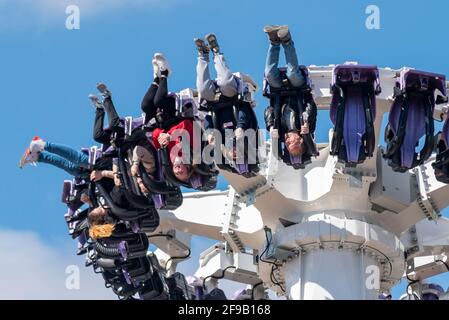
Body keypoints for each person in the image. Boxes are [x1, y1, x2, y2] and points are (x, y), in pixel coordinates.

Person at [195, 33, 258, 167]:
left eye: (234, 157)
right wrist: (240, 127)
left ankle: (203, 55)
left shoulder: (221, 140)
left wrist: (209, 133)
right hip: (233, 98)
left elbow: (207, 118)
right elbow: (245, 110)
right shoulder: (248, 134)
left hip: (215, 104)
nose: (235, 153)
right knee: (224, 81)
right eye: (240, 154)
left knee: (202, 88)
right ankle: (216, 52)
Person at [263, 25, 316, 160]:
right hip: (299, 90)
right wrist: (307, 122)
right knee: (292, 73)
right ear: (300, 139)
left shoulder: (279, 131)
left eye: (286, 145)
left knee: (269, 75)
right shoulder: (307, 128)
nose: (286, 141)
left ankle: (274, 42)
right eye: (291, 142)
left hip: (280, 92)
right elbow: (311, 105)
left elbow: (268, 110)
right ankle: (286, 41)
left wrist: (270, 126)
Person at [19, 137, 91, 178]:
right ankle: (41, 145)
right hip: (96, 164)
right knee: (79, 160)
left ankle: (38, 156)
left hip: (90, 174)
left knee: (72, 169)